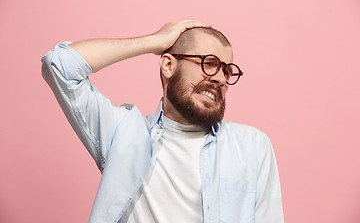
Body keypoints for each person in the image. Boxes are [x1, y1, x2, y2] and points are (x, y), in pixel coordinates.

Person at [42, 19, 284, 223]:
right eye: (209, 64)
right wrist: (153, 42)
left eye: (227, 71)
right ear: (168, 65)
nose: (220, 78)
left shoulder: (253, 145)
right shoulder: (122, 134)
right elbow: (60, 64)